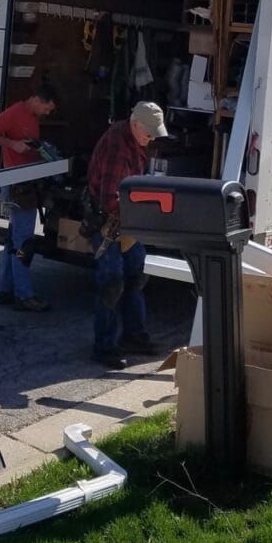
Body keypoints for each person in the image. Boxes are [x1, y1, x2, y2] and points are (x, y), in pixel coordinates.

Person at [85, 101, 168, 369]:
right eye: (149, 132)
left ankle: (133, 335)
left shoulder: (134, 141)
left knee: (136, 275)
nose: (152, 138)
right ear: (135, 124)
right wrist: (143, 213)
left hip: (126, 222)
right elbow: (111, 198)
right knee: (111, 282)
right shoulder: (116, 147)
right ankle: (104, 347)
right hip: (109, 223)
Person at [0, 83, 59, 312]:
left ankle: (5, 290)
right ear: (37, 100)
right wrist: (12, 144)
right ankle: (24, 296)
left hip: (25, 182)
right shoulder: (15, 112)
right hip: (16, 185)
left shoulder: (31, 117)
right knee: (24, 243)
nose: (48, 113)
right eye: (47, 108)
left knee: (13, 240)